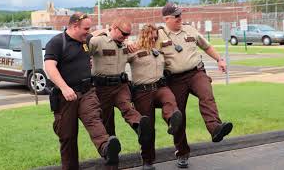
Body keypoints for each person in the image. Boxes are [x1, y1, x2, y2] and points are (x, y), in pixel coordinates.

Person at [157, 3, 233, 168]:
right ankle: (182, 152)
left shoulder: (190, 30)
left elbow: (206, 46)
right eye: (176, 16)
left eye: (181, 15)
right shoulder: (158, 35)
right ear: (167, 19)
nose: (180, 18)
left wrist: (219, 59)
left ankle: (215, 129)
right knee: (178, 117)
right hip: (174, 79)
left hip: (196, 73)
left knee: (206, 93)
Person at [44, 12, 121, 170]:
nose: (88, 31)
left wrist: (108, 31)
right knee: (68, 137)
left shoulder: (85, 40)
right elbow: (49, 67)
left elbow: (95, 34)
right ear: (74, 26)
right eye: (86, 28)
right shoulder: (57, 42)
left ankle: (107, 149)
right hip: (66, 97)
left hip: (87, 92)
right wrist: (64, 88)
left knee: (94, 120)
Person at [88, 17, 152, 148]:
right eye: (124, 33)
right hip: (102, 88)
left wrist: (130, 42)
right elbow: (84, 44)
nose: (126, 36)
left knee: (128, 108)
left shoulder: (125, 44)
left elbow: (137, 56)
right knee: (107, 121)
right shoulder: (99, 41)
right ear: (115, 29)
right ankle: (110, 149)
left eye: (129, 34)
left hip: (120, 86)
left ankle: (141, 128)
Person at [128, 24, 183, 170]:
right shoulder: (133, 50)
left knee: (170, 99)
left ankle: (172, 121)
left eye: (155, 35)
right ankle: (147, 161)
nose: (153, 37)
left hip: (160, 87)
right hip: (142, 92)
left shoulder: (159, 50)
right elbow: (118, 61)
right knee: (148, 128)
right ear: (143, 35)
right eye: (150, 34)